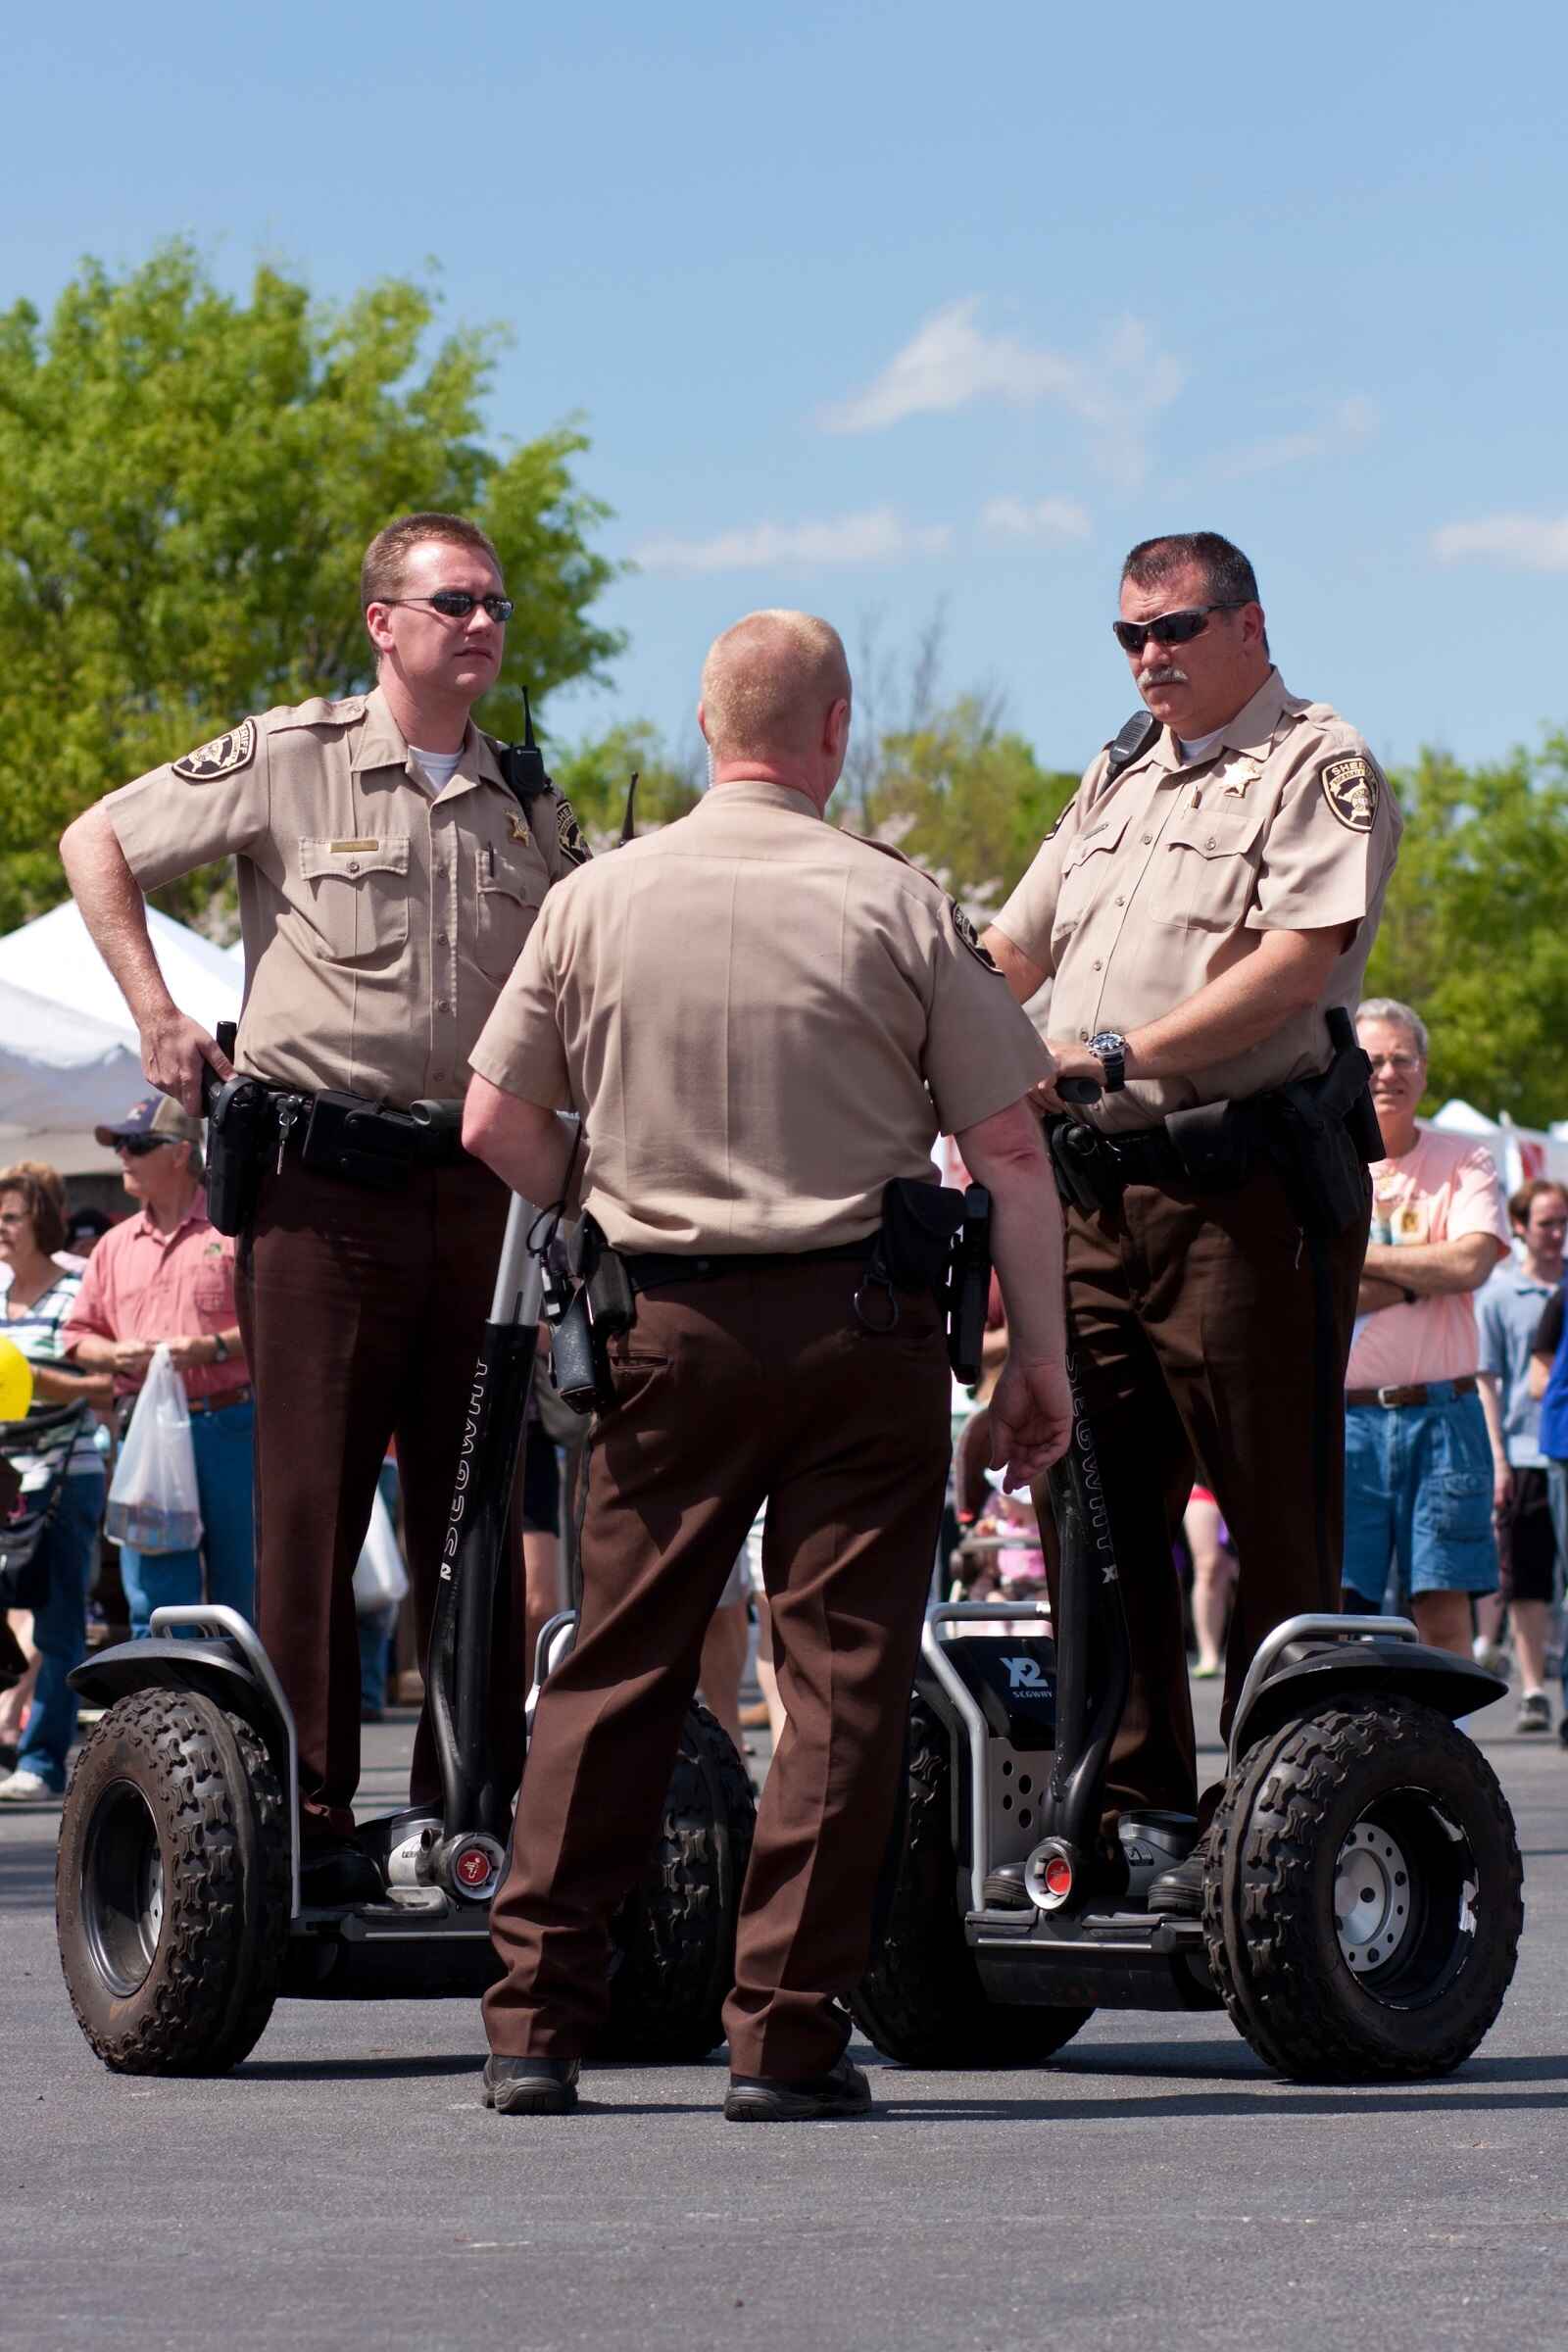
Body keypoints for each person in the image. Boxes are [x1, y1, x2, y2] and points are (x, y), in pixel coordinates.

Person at [463, 608, 1073, 2120]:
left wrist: (601, 1200)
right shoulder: (895, 902)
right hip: (858, 1333)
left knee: (615, 1667)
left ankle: (535, 2023)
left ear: (700, 724)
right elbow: (1008, 1149)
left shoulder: (599, 901)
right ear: (834, 730)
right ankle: (785, 2035)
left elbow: (492, 1123)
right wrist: (1034, 1365)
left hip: (657, 1323)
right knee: (842, 1682)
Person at [58, 510, 588, 1904]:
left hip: (482, 1190)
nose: (482, 625)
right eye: (454, 602)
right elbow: (93, 840)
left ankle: (463, 1811)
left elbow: (593, 960)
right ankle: (306, 1821)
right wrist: (156, 1013)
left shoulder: (531, 800)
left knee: (472, 1511)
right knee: (306, 1508)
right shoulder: (293, 755)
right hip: (320, 1190)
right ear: (385, 623)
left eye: (494, 606)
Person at [980, 530, 1401, 1916]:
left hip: (1241, 1189)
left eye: (1172, 629)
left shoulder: (1315, 761)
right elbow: (1011, 951)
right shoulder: (1114, 775)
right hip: (1091, 1194)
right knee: (1093, 1503)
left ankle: (1295, 1811)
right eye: (1127, 637)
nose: (1148, 657)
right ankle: (1147, 1809)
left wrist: (1114, 1051)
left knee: (1272, 1517)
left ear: (1249, 627)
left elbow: (1301, 966)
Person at [1340, 1001, 1509, 1652]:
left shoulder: (1466, 1160)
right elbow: (1313, 1289)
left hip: (1445, 1418)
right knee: (1342, 1607)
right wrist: (1421, 1276)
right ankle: (1347, 1750)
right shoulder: (1326, 1163)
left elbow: (1470, 1261)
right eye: (1371, 1060)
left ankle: (1446, 1753)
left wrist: (1359, 1260)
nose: (1387, 1072)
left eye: (1400, 1058)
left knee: (1441, 1605)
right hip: (1345, 1421)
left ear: (1424, 1070)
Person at [63, 1098, 255, 1639]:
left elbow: (274, 1328)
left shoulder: (233, 1232)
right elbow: (77, 1338)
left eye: (136, 1144)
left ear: (179, 1153)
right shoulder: (113, 1245)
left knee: (238, 1585)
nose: (123, 1155)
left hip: (227, 1425)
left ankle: (239, 1715)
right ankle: (165, 1715)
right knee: (153, 1587)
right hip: (145, 1427)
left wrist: (210, 1348)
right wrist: (115, 1356)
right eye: (120, 1145)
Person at [0, 1167, 113, 1800]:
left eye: (11, 1216)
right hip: (4, 1475)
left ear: (41, 1219)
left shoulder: (79, 1293)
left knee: (56, 1622)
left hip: (66, 1472)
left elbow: (108, 1386)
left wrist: (46, 1383)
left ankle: (42, 1761)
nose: (0, 1228)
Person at [1476, 1179, 1568, 1728]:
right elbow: (1488, 1380)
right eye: (1546, 1224)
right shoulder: (1500, 1294)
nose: (1556, 1235)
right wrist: (1499, 1459)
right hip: (1526, 1448)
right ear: (1520, 1228)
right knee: (1529, 1578)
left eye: (1562, 1223)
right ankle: (1534, 1688)